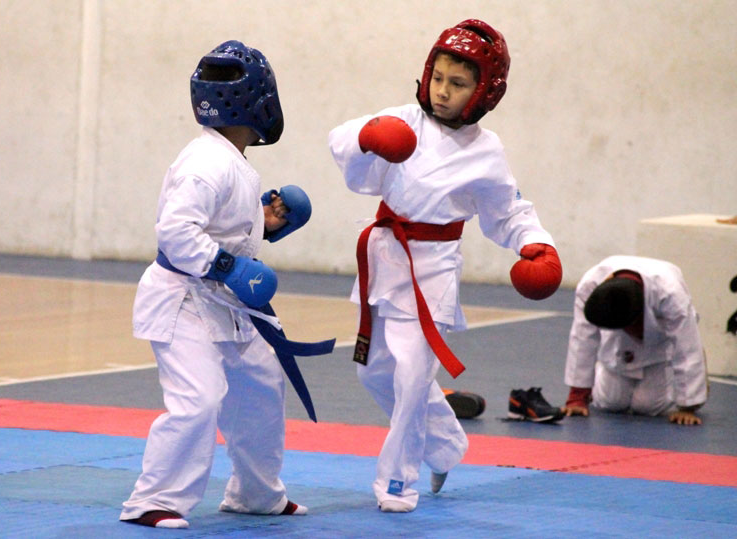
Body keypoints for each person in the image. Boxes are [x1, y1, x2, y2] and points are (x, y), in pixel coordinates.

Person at [328, 19, 562, 513]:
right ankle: (446, 445)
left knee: (413, 375)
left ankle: (398, 483)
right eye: (438, 78)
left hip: (432, 268)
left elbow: (509, 211)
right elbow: (340, 143)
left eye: (457, 85)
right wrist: (368, 136)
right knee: (374, 374)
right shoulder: (402, 119)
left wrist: (537, 245)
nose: (442, 92)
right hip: (384, 255)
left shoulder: (485, 151)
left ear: (484, 91)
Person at [120, 40, 319, 529]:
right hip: (182, 299)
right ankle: (152, 499)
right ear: (259, 100)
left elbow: (216, 228)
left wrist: (263, 224)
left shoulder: (229, 158)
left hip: (220, 301)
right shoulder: (207, 163)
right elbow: (175, 232)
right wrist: (230, 267)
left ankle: (256, 494)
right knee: (200, 397)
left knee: (261, 385)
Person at [562, 255, 708, 426]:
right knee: (610, 403)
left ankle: (688, 379)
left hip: (659, 344)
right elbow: (582, 337)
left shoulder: (671, 294)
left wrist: (687, 406)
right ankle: (603, 371)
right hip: (616, 339)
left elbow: (686, 346)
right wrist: (577, 395)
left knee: (648, 407)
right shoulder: (590, 285)